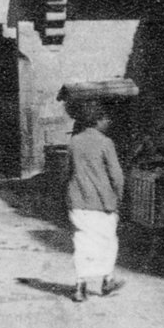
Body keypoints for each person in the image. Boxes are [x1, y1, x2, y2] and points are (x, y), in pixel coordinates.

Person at [58, 85, 126, 303]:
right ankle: (107, 280)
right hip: (102, 203)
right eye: (105, 119)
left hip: (77, 202)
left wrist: (67, 194)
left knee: (82, 243)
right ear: (97, 120)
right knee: (107, 242)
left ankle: (80, 287)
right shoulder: (106, 143)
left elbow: (65, 173)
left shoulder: (74, 142)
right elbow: (116, 175)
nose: (108, 122)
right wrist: (119, 197)